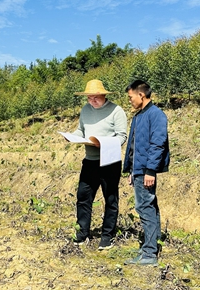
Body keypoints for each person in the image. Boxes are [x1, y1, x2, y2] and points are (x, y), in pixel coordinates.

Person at [70, 79, 127, 250]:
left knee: (110, 198)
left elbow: (122, 136)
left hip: (109, 161)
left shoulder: (116, 111)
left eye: (96, 98)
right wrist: (72, 136)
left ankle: (107, 236)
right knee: (83, 196)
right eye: (89, 98)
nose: (92, 101)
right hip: (90, 161)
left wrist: (104, 143)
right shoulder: (85, 110)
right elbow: (81, 130)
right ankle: (82, 233)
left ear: (104, 95)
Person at [123, 80, 170, 266]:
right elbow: (135, 147)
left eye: (130, 97)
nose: (130, 101)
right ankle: (152, 245)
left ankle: (149, 254)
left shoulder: (156, 115)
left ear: (141, 95)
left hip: (146, 171)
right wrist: (131, 170)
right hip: (139, 169)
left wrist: (150, 170)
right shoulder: (139, 116)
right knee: (149, 205)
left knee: (144, 207)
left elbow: (158, 144)